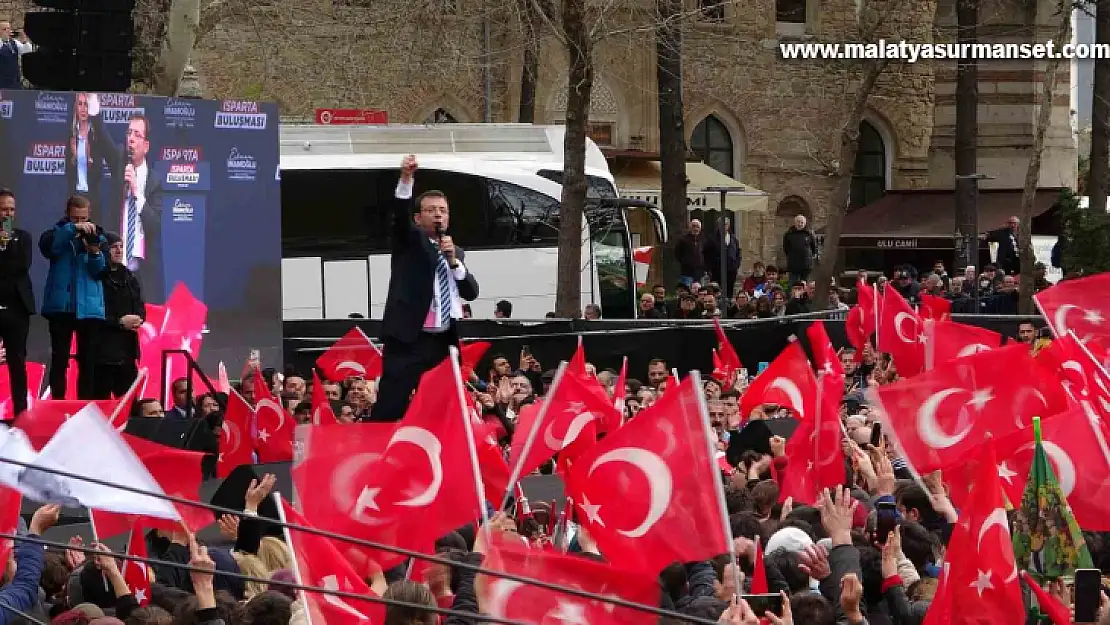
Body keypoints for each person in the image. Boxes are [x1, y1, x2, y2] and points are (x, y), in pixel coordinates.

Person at [369, 154, 479, 422]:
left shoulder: (456, 252)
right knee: (392, 404)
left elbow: (471, 292)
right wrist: (407, 179)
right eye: (431, 210)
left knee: (440, 408)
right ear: (418, 218)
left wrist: (454, 261)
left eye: (443, 210)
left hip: (441, 342)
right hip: (409, 339)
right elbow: (399, 217)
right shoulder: (410, 243)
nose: (438, 215)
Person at [85, 93, 164, 302]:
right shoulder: (120, 160)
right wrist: (94, 112)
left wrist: (137, 193)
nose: (131, 138)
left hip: (142, 271)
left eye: (137, 134)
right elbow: (103, 139)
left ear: (146, 145)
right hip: (115, 264)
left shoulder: (155, 181)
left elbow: (155, 225)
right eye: (129, 133)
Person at [39, 195, 107, 400]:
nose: (80, 223)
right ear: (67, 214)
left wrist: (94, 252)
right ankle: (57, 403)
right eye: (75, 218)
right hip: (61, 307)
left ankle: (84, 404)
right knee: (59, 359)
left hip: (89, 307)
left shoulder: (98, 236)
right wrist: (72, 230)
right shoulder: (54, 235)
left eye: (83, 218)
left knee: (88, 360)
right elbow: (51, 249)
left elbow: (99, 272)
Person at [94, 232, 145, 399]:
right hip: (103, 355)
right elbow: (94, 314)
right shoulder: (97, 278)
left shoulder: (130, 277)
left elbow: (140, 307)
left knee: (129, 404)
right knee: (101, 406)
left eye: (121, 246)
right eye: (113, 247)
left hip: (127, 353)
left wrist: (138, 318)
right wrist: (119, 322)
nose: (119, 251)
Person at [0, 189, 34, 419]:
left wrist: (7, 243)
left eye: (11, 209)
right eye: (4, 209)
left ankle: (21, 414)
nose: (8, 214)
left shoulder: (23, 237)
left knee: (17, 360)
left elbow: (21, 266)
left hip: (17, 307)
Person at [705, 215, 741, 300]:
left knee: (729, 294)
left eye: (725, 224)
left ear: (728, 226)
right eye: (721, 224)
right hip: (717, 272)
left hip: (731, 272)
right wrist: (710, 268)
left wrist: (736, 265)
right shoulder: (712, 239)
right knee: (717, 293)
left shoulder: (734, 239)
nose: (723, 226)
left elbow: (738, 254)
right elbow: (706, 255)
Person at [782, 214, 817, 284]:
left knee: (806, 285)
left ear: (805, 223)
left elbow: (814, 247)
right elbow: (786, 248)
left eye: (802, 222)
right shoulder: (788, 234)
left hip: (806, 265)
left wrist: (810, 256)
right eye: (798, 222)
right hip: (793, 265)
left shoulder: (809, 233)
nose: (800, 224)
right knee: (793, 284)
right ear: (795, 222)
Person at [0, 21, 30, 89]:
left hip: (14, 80)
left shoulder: (14, 42)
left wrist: (24, 41)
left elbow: (27, 52)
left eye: (9, 29)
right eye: (4, 29)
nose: (7, 31)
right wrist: (2, 41)